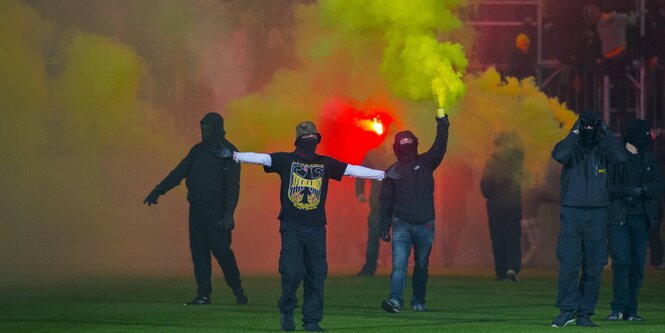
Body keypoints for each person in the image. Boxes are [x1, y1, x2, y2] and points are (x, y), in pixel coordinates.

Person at [208, 121, 402, 332]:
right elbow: (262, 158)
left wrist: (383, 175)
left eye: (312, 138)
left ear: (317, 141)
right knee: (291, 273)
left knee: (317, 275)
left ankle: (311, 321)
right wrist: (233, 156)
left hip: (317, 228)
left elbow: (351, 170)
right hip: (291, 226)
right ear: (299, 141)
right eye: (306, 138)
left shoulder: (325, 163)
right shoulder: (285, 160)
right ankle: (288, 310)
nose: (310, 141)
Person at [143, 112, 248, 306]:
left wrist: (228, 215)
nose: (203, 131)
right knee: (199, 253)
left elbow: (233, 188)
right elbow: (178, 173)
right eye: (202, 127)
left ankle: (237, 289)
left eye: (206, 127)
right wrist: (158, 191)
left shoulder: (229, 153)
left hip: (216, 211)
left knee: (222, 252)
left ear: (216, 128)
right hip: (197, 209)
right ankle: (203, 294)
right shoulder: (197, 151)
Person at [550, 111, 625, 328]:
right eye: (586, 126)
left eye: (593, 127)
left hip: (597, 215)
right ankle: (567, 311)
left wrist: (607, 131)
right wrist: (575, 130)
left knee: (594, 266)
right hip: (572, 213)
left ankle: (585, 313)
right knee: (568, 264)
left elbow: (620, 158)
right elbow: (560, 155)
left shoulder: (603, 149)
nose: (589, 130)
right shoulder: (571, 148)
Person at [379, 110, 450, 313]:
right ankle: (395, 301)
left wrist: (442, 124)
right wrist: (385, 225)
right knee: (400, 265)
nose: (406, 145)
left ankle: (418, 300)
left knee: (420, 266)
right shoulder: (392, 172)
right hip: (402, 223)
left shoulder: (426, 162)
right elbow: (386, 201)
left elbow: (440, 147)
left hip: (424, 224)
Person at [606, 119, 665, 321]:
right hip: (619, 218)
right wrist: (625, 192)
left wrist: (643, 190)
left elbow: (659, 184)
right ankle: (618, 308)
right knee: (621, 261)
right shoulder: (616, 158)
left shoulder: (649, 159)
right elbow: (607, 188)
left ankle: (631, 310)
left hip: (642, 219)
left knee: (637, 265)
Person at [480, 132, 524, 282]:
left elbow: (485, 188)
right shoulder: (515, 160)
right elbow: (521, 150)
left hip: (495, 206)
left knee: (498, 238)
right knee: (513, 236)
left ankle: (501, 271)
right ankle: (513, 266)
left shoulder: (491, 163)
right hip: (513, 204)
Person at [355, 140, 394, 277]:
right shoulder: (373, 154)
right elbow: (361, 173)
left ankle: (398, 269)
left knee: (401, 237)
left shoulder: (401, 153)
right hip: (379, 203)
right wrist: (360, 192)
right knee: (373, 237)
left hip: (397, 203)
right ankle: (369, 269)